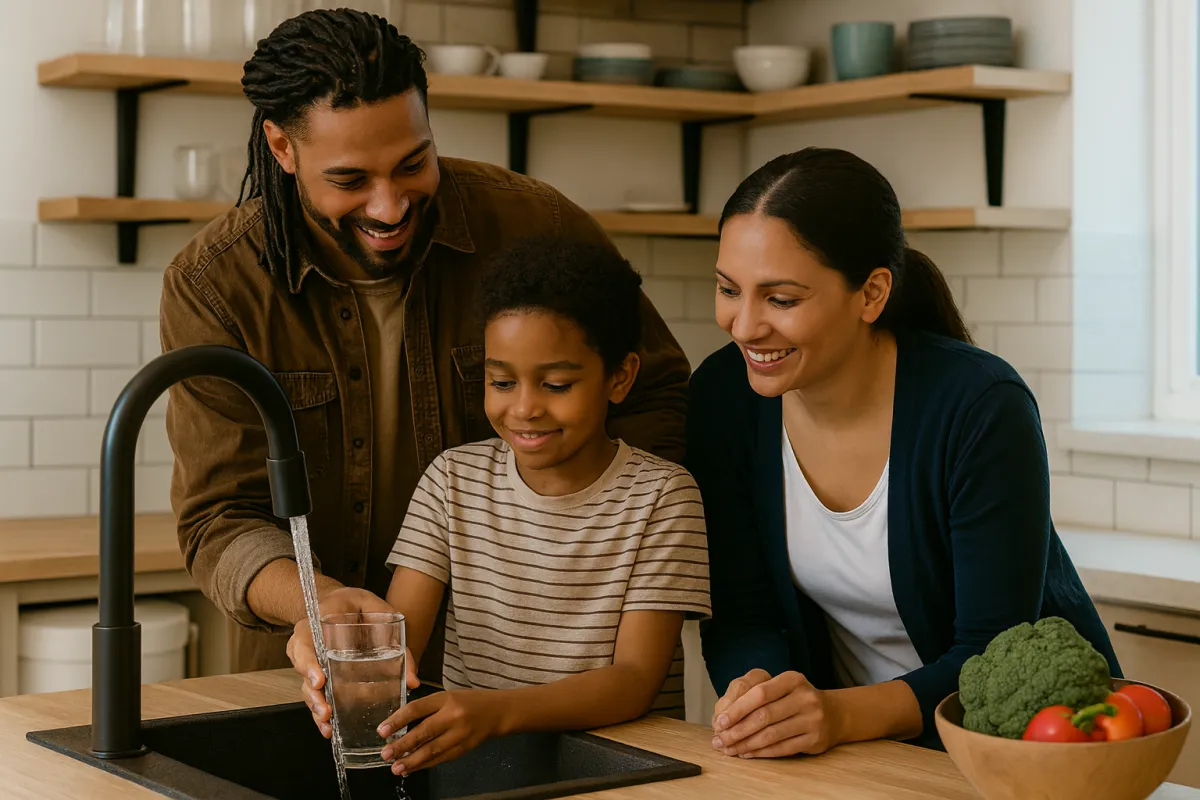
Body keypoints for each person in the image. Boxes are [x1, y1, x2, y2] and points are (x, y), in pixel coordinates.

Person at [158, 8, 691, 681]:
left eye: (413, 163)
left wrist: (572, 546)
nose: (389, 206)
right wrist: (321, 604)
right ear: (283, 148)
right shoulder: (215, 285)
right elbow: (220, 517)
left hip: (536, 676)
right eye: (351, 181)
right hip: (312, 677)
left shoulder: (536, 223)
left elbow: (657, 396)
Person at [687, 147, 1121, 757]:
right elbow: (744, 610)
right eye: (729, 289)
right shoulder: (723, 396)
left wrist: (835, 714)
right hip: (857, 753)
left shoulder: (980, 406)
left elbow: (989, 653)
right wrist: (761, 695)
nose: (744, 326)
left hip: (1024, 745)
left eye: (781, 299)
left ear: (871, 294)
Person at [286, 237, 711, 775]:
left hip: (621, 773)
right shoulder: (452, 480)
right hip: (480, 767)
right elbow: (401, 642)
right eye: (501, 381)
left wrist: (496, 711)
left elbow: (632, 681)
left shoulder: (662, 497)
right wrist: (333, 653)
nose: (525, 408)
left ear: (620, 377)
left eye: (557, 383)